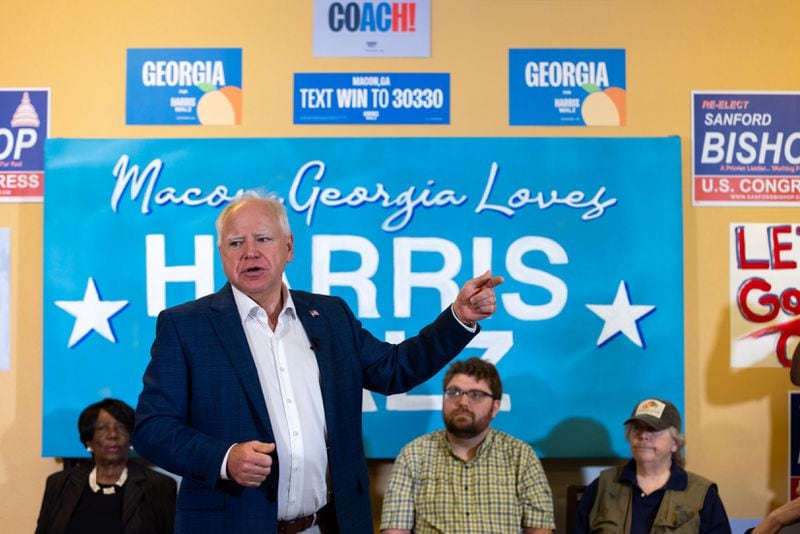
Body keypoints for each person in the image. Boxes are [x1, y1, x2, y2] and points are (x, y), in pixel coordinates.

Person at [132, 191, 504, 534]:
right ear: (222, 254)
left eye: (263, 239)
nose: (250, 252)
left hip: (327, 525)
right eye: (236, 243)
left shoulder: (330, 316)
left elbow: (394, 369)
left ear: (288, 247)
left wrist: (459, 316)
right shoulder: (186, 326)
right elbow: (152, 429)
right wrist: (224, 458)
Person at [380, 357, 555, 534]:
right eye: (454, 392)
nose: (463, 402)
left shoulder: (520, 455)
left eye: (476, 395)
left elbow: (539, 527)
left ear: (495, 407)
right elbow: (395, 529)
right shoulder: (414, 454)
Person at [572, 398, 731, 533]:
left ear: (675, 443)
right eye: (637, 429)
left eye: (653, 429)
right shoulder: (601, 487)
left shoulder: (702, 495)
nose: (643, 436)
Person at [36, 398, 176, 534]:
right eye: (103, 428)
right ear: (89, 440)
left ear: (131, 438)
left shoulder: (159, 485)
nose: (113, 435)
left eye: (121, 427)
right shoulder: (59, 483)